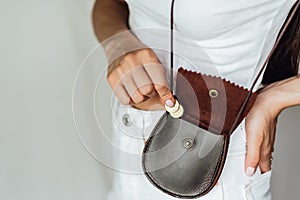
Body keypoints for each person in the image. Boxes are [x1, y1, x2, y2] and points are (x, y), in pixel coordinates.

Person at [92, 0, 300, 199]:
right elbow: (110, 2)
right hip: (130, 142)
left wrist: (273, 99)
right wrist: (119, 45)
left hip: (212, 163)